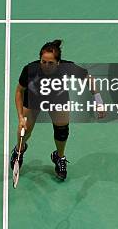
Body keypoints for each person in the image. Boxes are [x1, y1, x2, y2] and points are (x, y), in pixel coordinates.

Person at [10, 40, 105, 180]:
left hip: (57, 99)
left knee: (62, 131)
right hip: (33, 100)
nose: (46, 66)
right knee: (25, 129)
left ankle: (59, 157)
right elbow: (19, 91)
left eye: (50, 63)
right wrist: (20, 118)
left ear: (58, 62)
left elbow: (88, 78)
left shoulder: (67, 67)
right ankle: (19, 150)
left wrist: (98, 99)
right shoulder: (30, 70)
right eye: (43, 62)